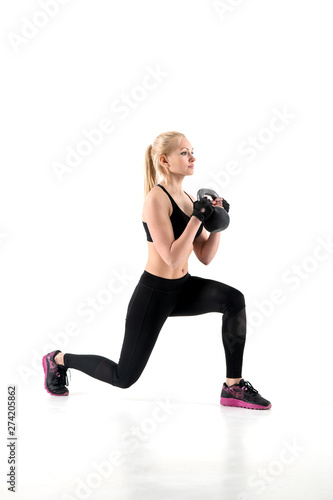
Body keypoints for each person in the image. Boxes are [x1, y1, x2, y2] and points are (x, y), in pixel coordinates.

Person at [42, 131, 271, 410]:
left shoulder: (188, 198)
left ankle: (233, 387)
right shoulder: (155, 200)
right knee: (123, 377)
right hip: (155, 294)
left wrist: (218, 225)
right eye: (184, 153)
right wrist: (198, 217)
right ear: (164, 160)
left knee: (233, 299)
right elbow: (173, 257)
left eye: (192, 151)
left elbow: (205, 256)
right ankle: (58, 359)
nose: (192, 157)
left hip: (183, 288)